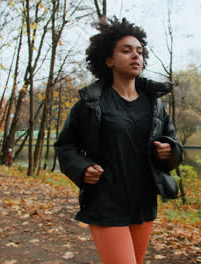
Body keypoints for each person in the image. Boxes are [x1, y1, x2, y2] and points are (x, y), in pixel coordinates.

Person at [54, 17, 183, 264]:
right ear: (109, 60)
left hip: (144, 203)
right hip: (106, 202)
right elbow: (65, 145)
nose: (136, 56)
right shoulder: (90, 103)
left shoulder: (154, 104)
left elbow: (175, 145)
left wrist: (170, 150)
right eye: (126, 51)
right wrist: (82, 168)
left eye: (140, 51)